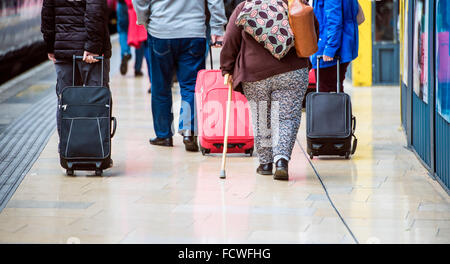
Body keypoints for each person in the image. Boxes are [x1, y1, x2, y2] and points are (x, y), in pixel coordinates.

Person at [220, 0, 319, 180]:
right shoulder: (295, 4)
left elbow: (230, 39)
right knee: (287, 117)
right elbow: (312, 31)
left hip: (255, 73)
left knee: (261, 116)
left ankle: (265, 163)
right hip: (292, 70)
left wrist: (226, 68)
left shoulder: (246, 7)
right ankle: (281, 160)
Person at [133, 0, 227, 152]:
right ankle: (189, 131)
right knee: (191, 86)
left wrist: (144, 20)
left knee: (160, 86)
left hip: (160, 30)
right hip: (193, 32)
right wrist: (217, 27)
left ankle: (164, 135)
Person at [41, 0, 112, 137]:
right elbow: (95, 10)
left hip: (63, 47)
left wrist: (51, 45)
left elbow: (47, 14)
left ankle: (67, 149)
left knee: (66, 101)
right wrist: (93, 46)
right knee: (97, 100)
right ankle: (97, 150)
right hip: (89, 52)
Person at [310, 0, 360, 93]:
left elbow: (334, 21)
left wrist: (330, 49)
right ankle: (338, 107)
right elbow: (358, 16)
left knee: (326, 91)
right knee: (336, 89)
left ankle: (330, 108)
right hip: (343, 44)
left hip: (330, 47)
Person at [125, 0, 151, 93]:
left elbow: (130, 3)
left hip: (139, 15)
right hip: (155, 16)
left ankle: (125, 53)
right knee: (150, 50)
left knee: (143, 48)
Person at [116, 0, 132, 75]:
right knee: (139, 36)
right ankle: (138, 68)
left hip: (121, 3)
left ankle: (125, 52)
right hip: (133, 5)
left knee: (123, 31)